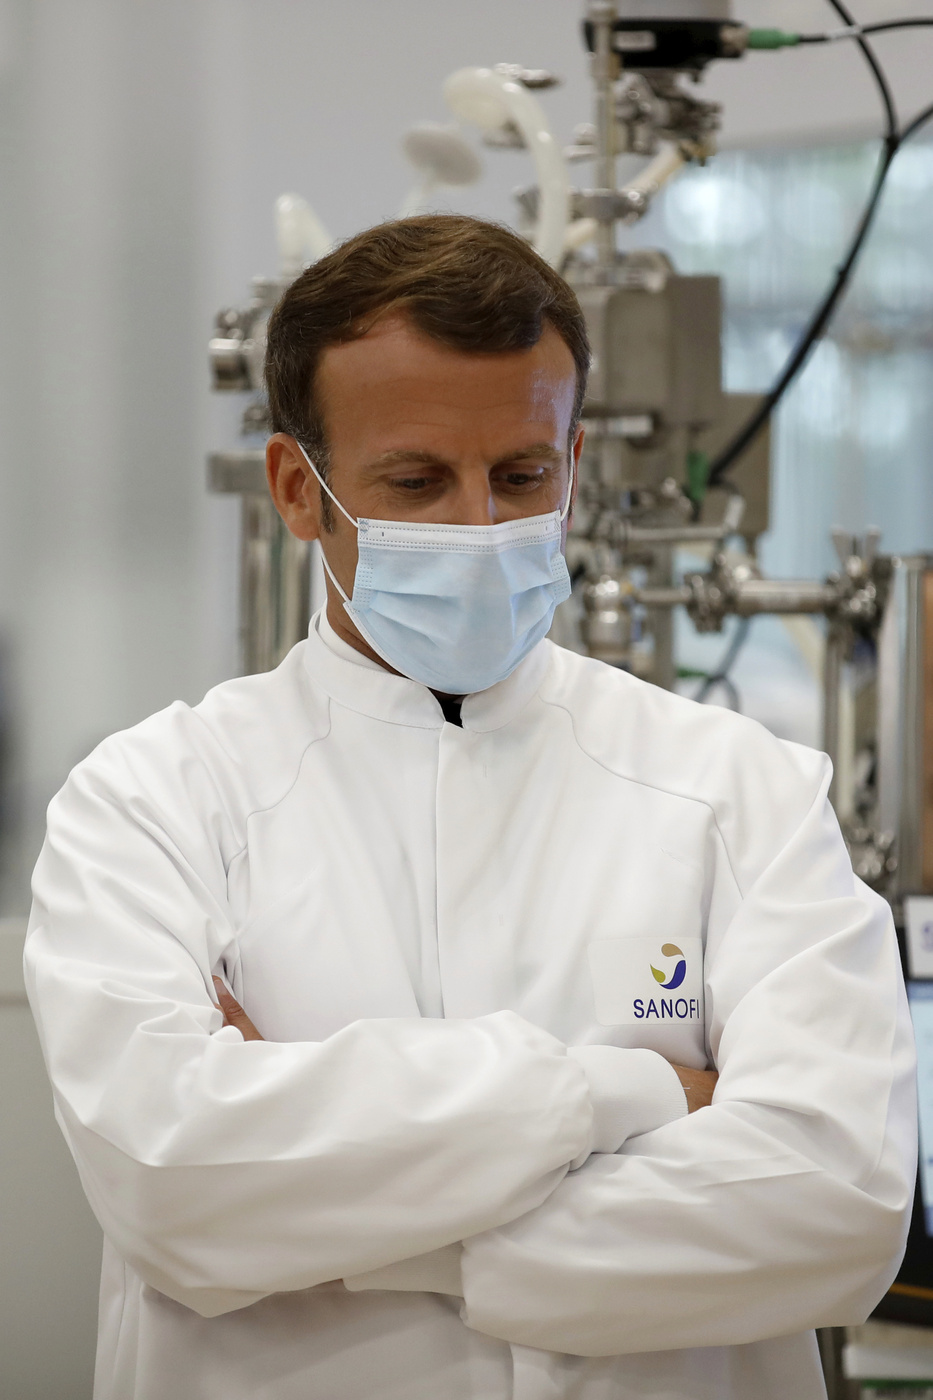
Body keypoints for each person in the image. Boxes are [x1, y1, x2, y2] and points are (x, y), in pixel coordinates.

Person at [25, 214, 915, 1400]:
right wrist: (631, 1092)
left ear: (574, 467)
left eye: (520, 474)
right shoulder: (152, 802)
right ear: (300, 487)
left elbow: (836, 1204)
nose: (481, 529)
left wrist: (332, 1224)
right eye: (415, 481)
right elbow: (175, 1180)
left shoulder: (738, 790)